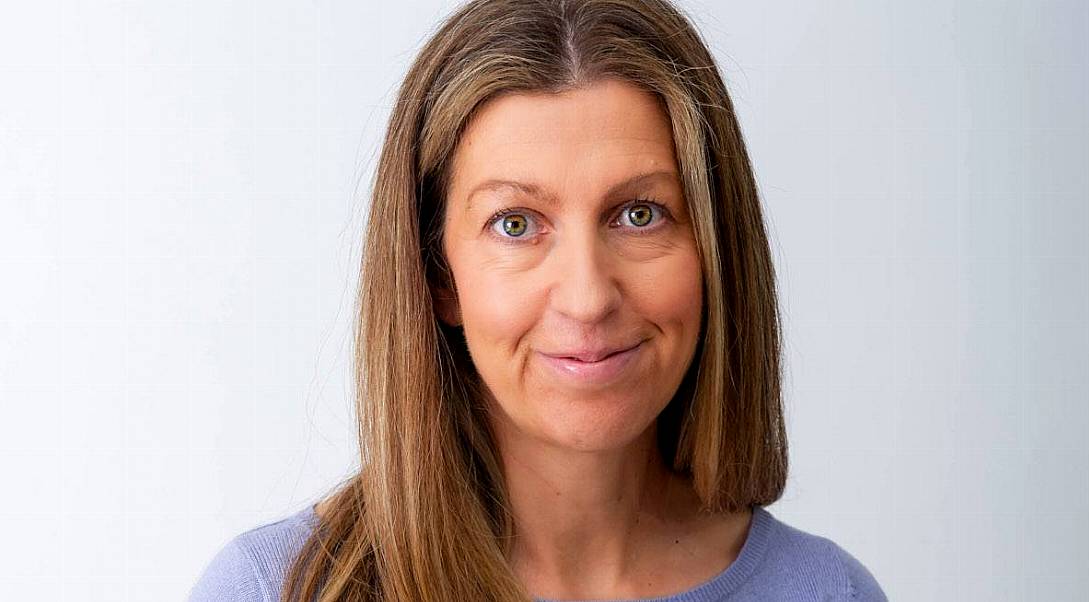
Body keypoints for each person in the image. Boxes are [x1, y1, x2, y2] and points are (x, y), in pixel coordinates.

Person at [189, 0, 889, 600]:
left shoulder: (826, 591)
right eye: (515, 224)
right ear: (439, 276)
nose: (587, 298)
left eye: (639, 214)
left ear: (714, 249)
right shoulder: (276, 589)